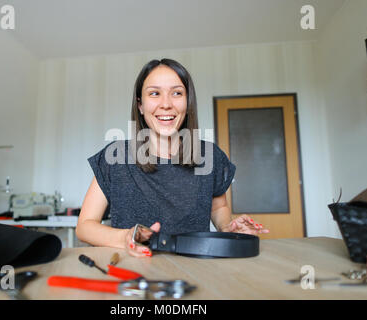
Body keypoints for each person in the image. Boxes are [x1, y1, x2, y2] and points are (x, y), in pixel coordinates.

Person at [76, 58, 269, 258]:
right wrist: (126, 237)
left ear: (188, 103)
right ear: (140, 105)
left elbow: (219, 207)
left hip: (197, 268)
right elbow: (84, 226)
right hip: (132, 268)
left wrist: (227, 228)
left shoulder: (211, 155)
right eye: (154, 93)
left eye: (177, 93)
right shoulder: (115, 156)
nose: (166, 104)